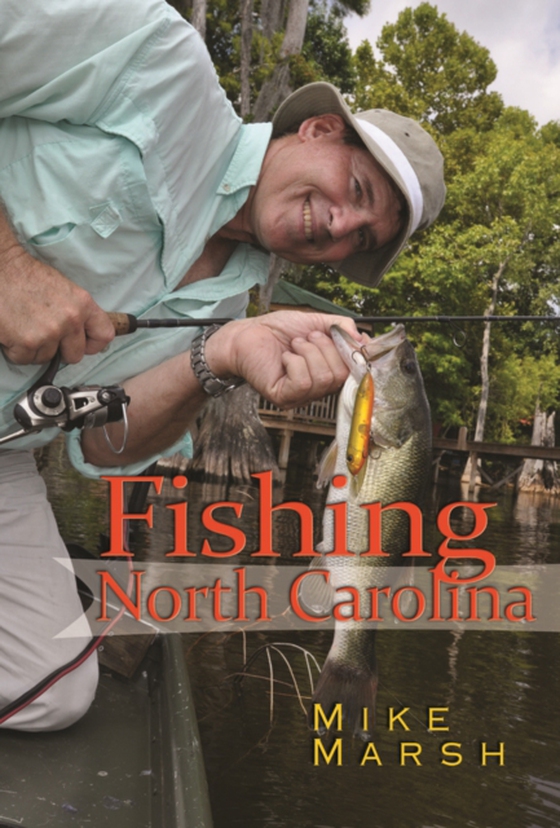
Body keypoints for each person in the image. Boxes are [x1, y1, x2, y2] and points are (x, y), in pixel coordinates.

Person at [0, 0, 445, 730]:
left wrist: (220, 356)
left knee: (53, 693)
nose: (336, 228)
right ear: (321, 128)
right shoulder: (156, 57)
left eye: (356, 241)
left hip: (5, 458)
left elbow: (102, 444)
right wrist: (10, 265)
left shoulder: (232, 305)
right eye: (355, 192)